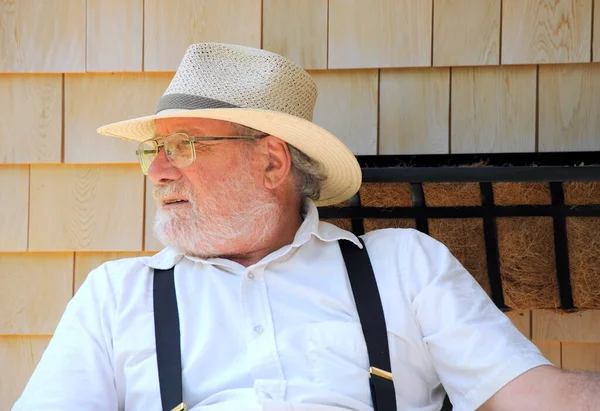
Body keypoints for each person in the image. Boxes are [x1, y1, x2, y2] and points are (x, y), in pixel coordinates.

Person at [12, 43, 599, 411]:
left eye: (184, 146)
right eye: (154, 150)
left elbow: (534, 396)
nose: (158, 171)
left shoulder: (403, 266)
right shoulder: (117, 295)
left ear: (271, 161)